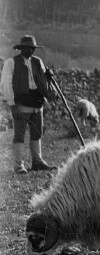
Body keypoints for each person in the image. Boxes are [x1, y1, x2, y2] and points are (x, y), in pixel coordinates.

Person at [0, 35, 58, 174]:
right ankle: (19, 165)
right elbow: (6, 84)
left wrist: (49, 75)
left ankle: (37, 162)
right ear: (22, 48)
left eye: (33, 48)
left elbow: (44, 80)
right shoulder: (11, 63)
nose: (31, 51)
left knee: (36, 133)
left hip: (37, 102)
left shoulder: (38, 62)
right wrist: (12, 104)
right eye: (28, 48)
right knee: (19, 134)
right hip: (22, 102)